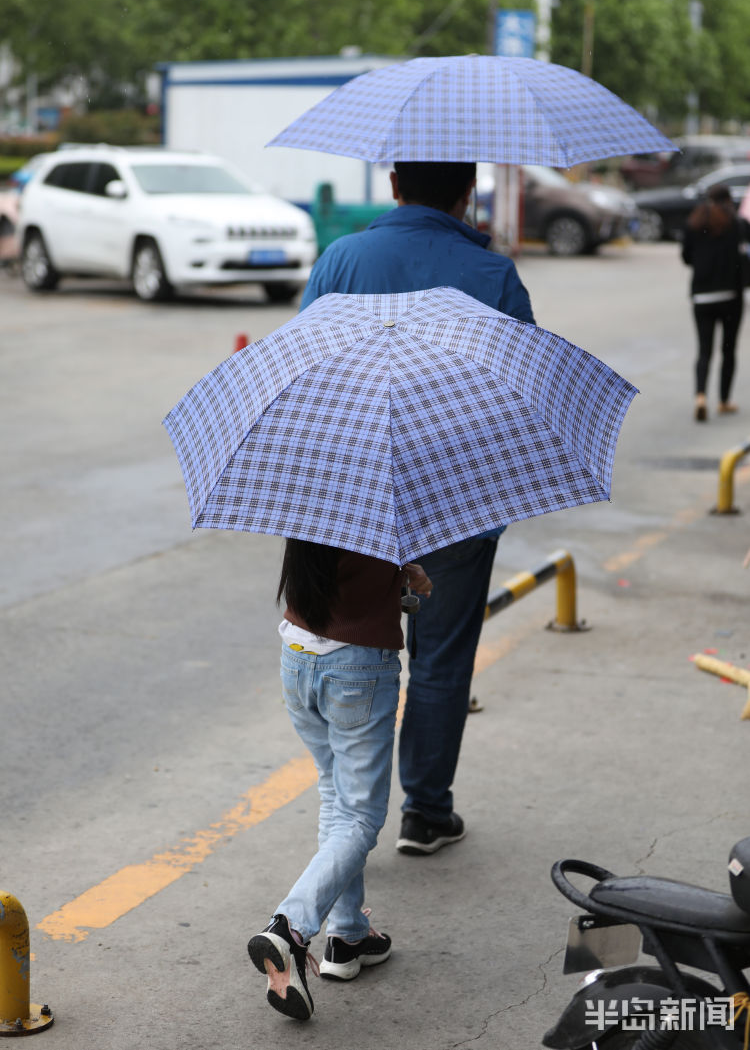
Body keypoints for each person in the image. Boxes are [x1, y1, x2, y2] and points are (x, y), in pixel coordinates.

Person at [299, 161, 535, 855]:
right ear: (466, 193)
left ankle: (347, 821)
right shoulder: (493, 275)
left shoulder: (341, 259)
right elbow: (517, 392)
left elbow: (306, 370)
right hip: (458, 492)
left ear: (395, 185)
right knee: (439, 657)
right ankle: (426, 811)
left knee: (352, 646)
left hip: (352, 488)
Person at [247, 539, 432, 1020]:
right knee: (361, 815)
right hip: (356, 668)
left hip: (297, 653)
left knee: (336, 794)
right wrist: (402, 572)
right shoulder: (379, 507)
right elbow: (363, 570)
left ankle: (348, 936)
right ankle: (290, 926)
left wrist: (399, 570)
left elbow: (341, 563)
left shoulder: (315, 488)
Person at [681, 184, 749, 422]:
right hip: (730, 297)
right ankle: (723, 400)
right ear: (729, 200)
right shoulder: (737, 224)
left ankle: (700, 396)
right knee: (728, 350)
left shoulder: (695, 223)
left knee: (704, 350)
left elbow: (686, 257)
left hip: (702, 296)